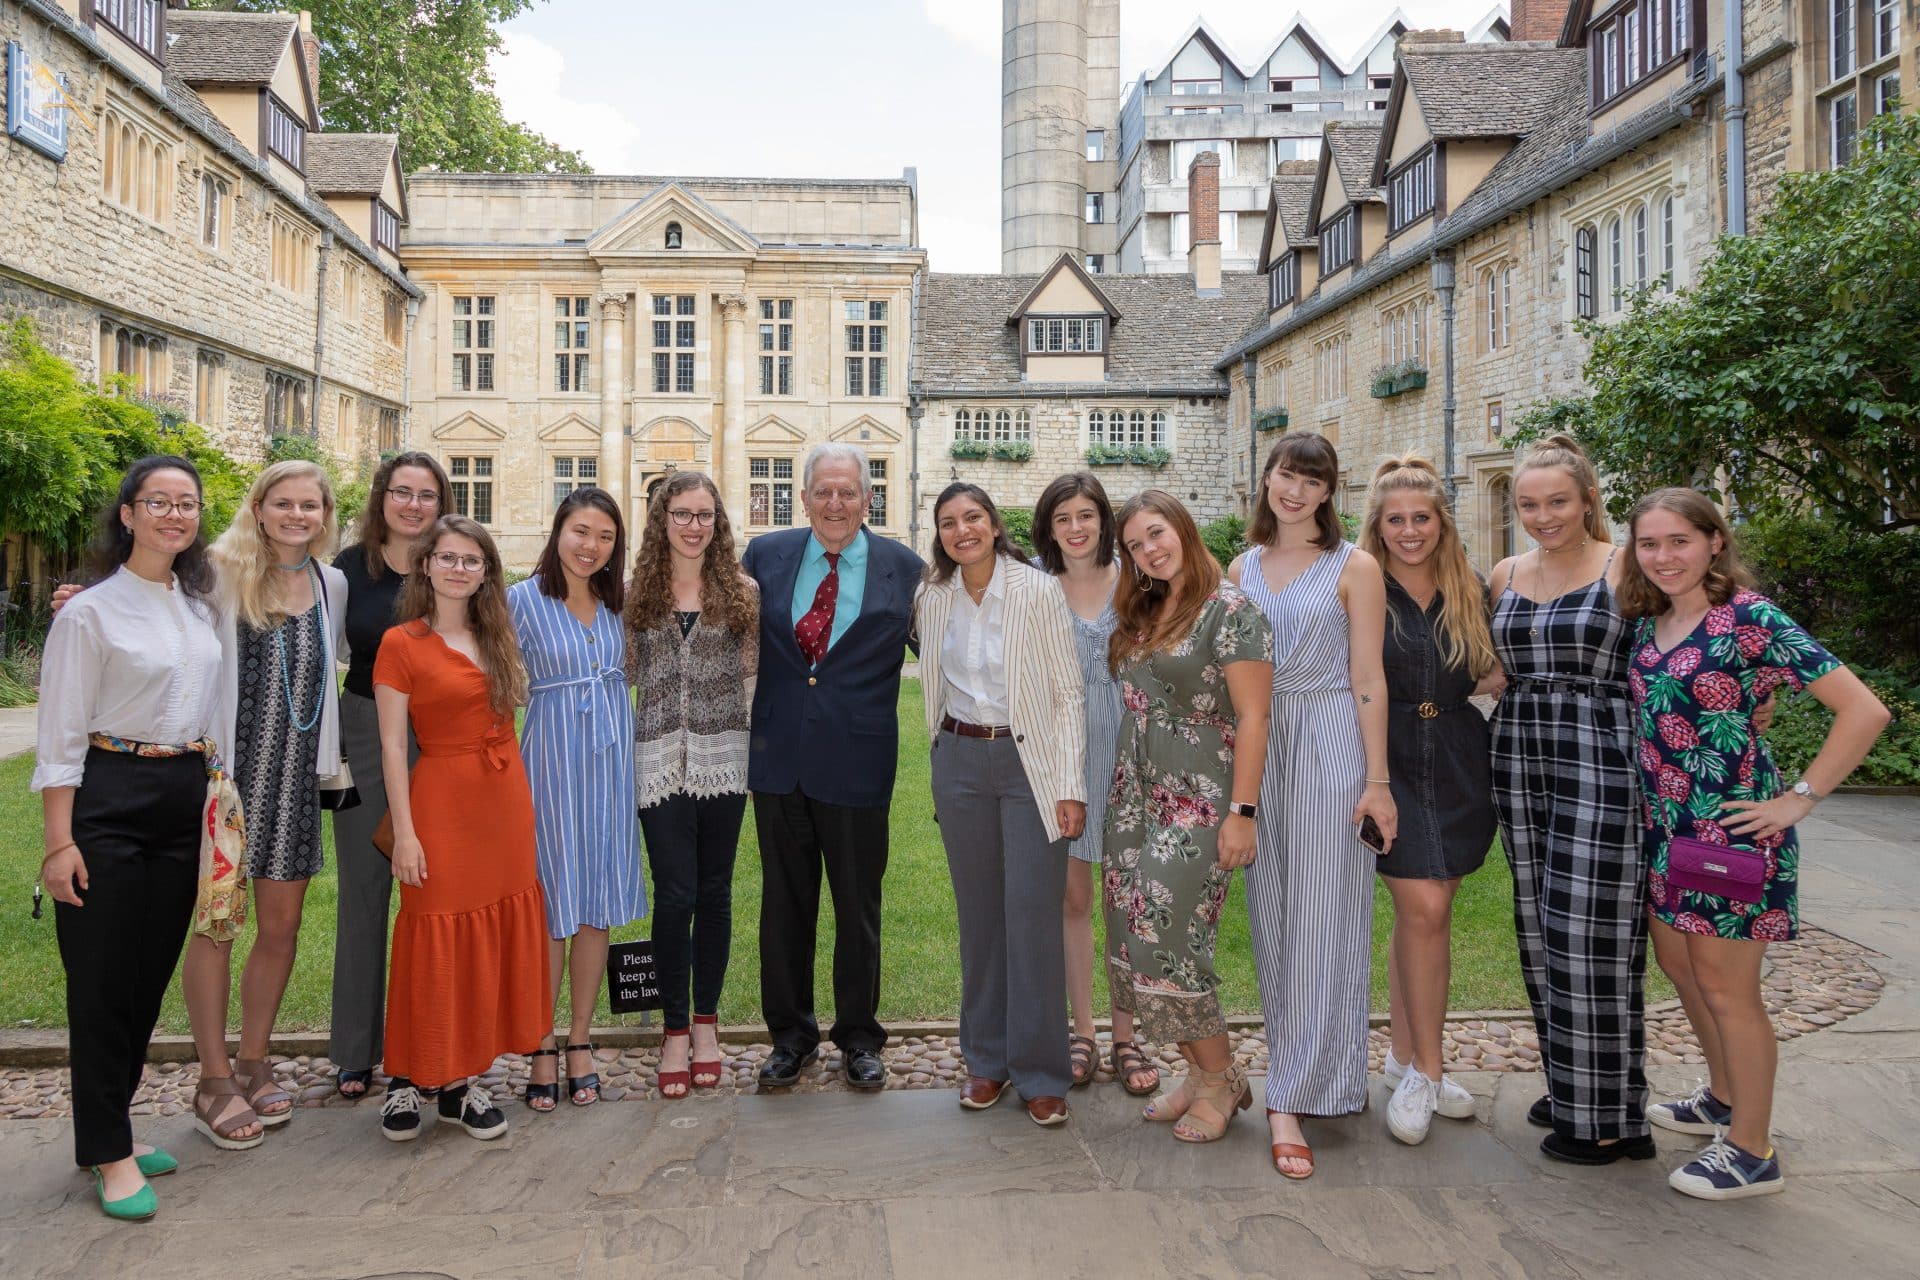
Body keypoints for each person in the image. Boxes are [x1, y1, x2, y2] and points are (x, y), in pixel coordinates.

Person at [1620, 488, 1888, 1200]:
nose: (1663, 556)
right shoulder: (1654, 620)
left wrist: (1797, 798)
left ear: (1713, 541)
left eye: (1679, 541)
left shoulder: (1749, 616)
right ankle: (1723, 1096)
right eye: (1649, 544)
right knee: (1681, 967)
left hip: (1731, 832)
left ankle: (1752, 1150)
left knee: (1727, 988)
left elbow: (1864, 710)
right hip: (1665, 828)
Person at [34, 457, 227, 1219]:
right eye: (158, 503)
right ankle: (107, 1153)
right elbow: (59, 736)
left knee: (146, 977)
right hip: (109, 796)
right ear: (128, 514)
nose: (174, 516)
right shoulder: (89, 614)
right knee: (102, 981)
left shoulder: (197, 606)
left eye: (186, 504)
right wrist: (59, 842)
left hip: (182, 795)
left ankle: (112, 1122)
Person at [1231, 431, 1396, 1180]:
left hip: (1330, 742)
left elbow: (1369, 677)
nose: (1293, 491)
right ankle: (1302, 1080)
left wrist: (1378, 781)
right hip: (1261, 751)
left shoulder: (1354, 567)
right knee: (1273, 920)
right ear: (1266, 481)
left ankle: (1300, 1093)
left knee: (1330, 920)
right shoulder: (1242, 568)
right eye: (1283, 476)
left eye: (1310, 480)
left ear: (1330, 492)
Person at [742, 442, 925, 1090]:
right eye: (824, 491)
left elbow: (952, 644)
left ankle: (858, 1038)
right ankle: (789, 1037)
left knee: (857, 907)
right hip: (778, 760)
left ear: (869, 500)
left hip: (857, 762)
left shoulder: (904, 569)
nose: (836, 503)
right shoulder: (765, 557)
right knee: (784, 907)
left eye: (849, 492)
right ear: (804, 496)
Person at [1489, 433, 1650, 1164]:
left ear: (1588, 499)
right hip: (1521, 751)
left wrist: (1753, 697)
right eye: (1528, 504)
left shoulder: (1629, 567)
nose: (1544, 515)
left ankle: (1605, 1122)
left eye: (1558, 501)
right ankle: (1577, 1086)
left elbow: (1695, 638)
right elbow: (1486, 665)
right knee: (1539, 925)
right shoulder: (1505, 572)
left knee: (1593, 932)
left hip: (1603, 754)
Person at [372, 515, 551, 1142]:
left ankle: (460, 1082)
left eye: (471, 560)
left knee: (489, 938)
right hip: (439, 802)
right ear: (426, 566)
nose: (457, 569)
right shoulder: (401, 642)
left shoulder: (498, 633)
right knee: (434, 935)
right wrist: (410, 835)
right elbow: (394, 748)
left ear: (486, 572)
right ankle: (407, 1077)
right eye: (446, 557)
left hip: (504, 804)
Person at [917, 483, 1087, 1126]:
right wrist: (937, 765)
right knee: (980, 919)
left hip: (1029, 768)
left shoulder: (1037, 590)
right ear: (940, 534)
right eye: (949, 522)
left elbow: (1069, 695)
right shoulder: (933, 596)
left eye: (973, 518)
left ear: (994, 524)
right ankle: (985, 1062)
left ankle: (1042, 1072)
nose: (963, 530)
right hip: (959, 763)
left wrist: (1069, 785)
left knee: (1033, 918)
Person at [1106, 490, 1273, 1145]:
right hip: (1137, 792)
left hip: (1201, 793)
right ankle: (1200, 1077)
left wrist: (1243, 813)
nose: (1149, 549)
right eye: (1136, 544)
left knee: (1163, 931)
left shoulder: (1230, 610)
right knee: (1132, 932)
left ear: (1182, 528)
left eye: (1156, 534)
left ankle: (1224, 1078)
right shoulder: (1144, 605)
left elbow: (1256, 715)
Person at [190, 462, 349, 1144]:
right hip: (224, 783)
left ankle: (255, 1061)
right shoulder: (217, 571)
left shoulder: (330, 582)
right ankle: (213, 1077)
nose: (296, 515)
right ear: (257, 508)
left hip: (292, 783)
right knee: (215, 926)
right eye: (282, 503)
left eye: (309, 505)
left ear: (324, 515)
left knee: (279, 930)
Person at [1357, 455, 1502, 1146]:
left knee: (1425, 915)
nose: (1410, 532)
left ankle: (1400, 1058)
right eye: (1396, 521)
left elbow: (1502, 666)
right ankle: (1429, 1073)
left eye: (1422, 518)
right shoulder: (1359, 586)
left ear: (1442, 523)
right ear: (1377, 527)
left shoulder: (1470, 587)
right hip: (1387, 763)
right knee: (1425, 908)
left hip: (1456, 759)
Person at [507, 487, 642, 1111]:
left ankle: (581, 1037)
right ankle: (539, 1041)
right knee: (549, 902)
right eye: (581, 532)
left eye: (606, 537)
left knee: (596, 903)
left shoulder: (621, 606)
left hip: (612, 768)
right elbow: (489, 686)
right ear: (558, 530)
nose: (591, 546)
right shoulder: (520, 602)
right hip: (550, 768)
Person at [625, 473, 760, 1099]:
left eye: (705, 514)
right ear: (662, 520)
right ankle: (673, 1031)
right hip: (656, 761)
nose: (694, 525)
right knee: (673, 895)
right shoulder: (637, 596)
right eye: (682, 513)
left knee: (715, 893)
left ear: (718, 522)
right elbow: (621, 675)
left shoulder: (742, 593)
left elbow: (753, 678)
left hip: (724, 760)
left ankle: (707, 1024)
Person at [329, 451, 450, 1099]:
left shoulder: (452, 564)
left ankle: (433, 1042)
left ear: (442, 502)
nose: (412, 504)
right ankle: (355, 1048)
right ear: (382, 499)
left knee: (436, 895)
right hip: (365, 731)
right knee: (366, 890)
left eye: (426, 494)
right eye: (401, 492)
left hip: (439, 736)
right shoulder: (349, 571)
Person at [1031, 473, 1153, 1094]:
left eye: (1086, 515)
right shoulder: (1034, 587)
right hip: (1066, 757)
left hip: (1132, 753)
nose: (1076, 529)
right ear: (1049, 529)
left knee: (1124, 901)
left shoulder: (1138, 581)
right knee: (1074, 898)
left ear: (1105, 520)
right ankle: (1082, 1030)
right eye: (1062, 519)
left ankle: (1128, 1035)